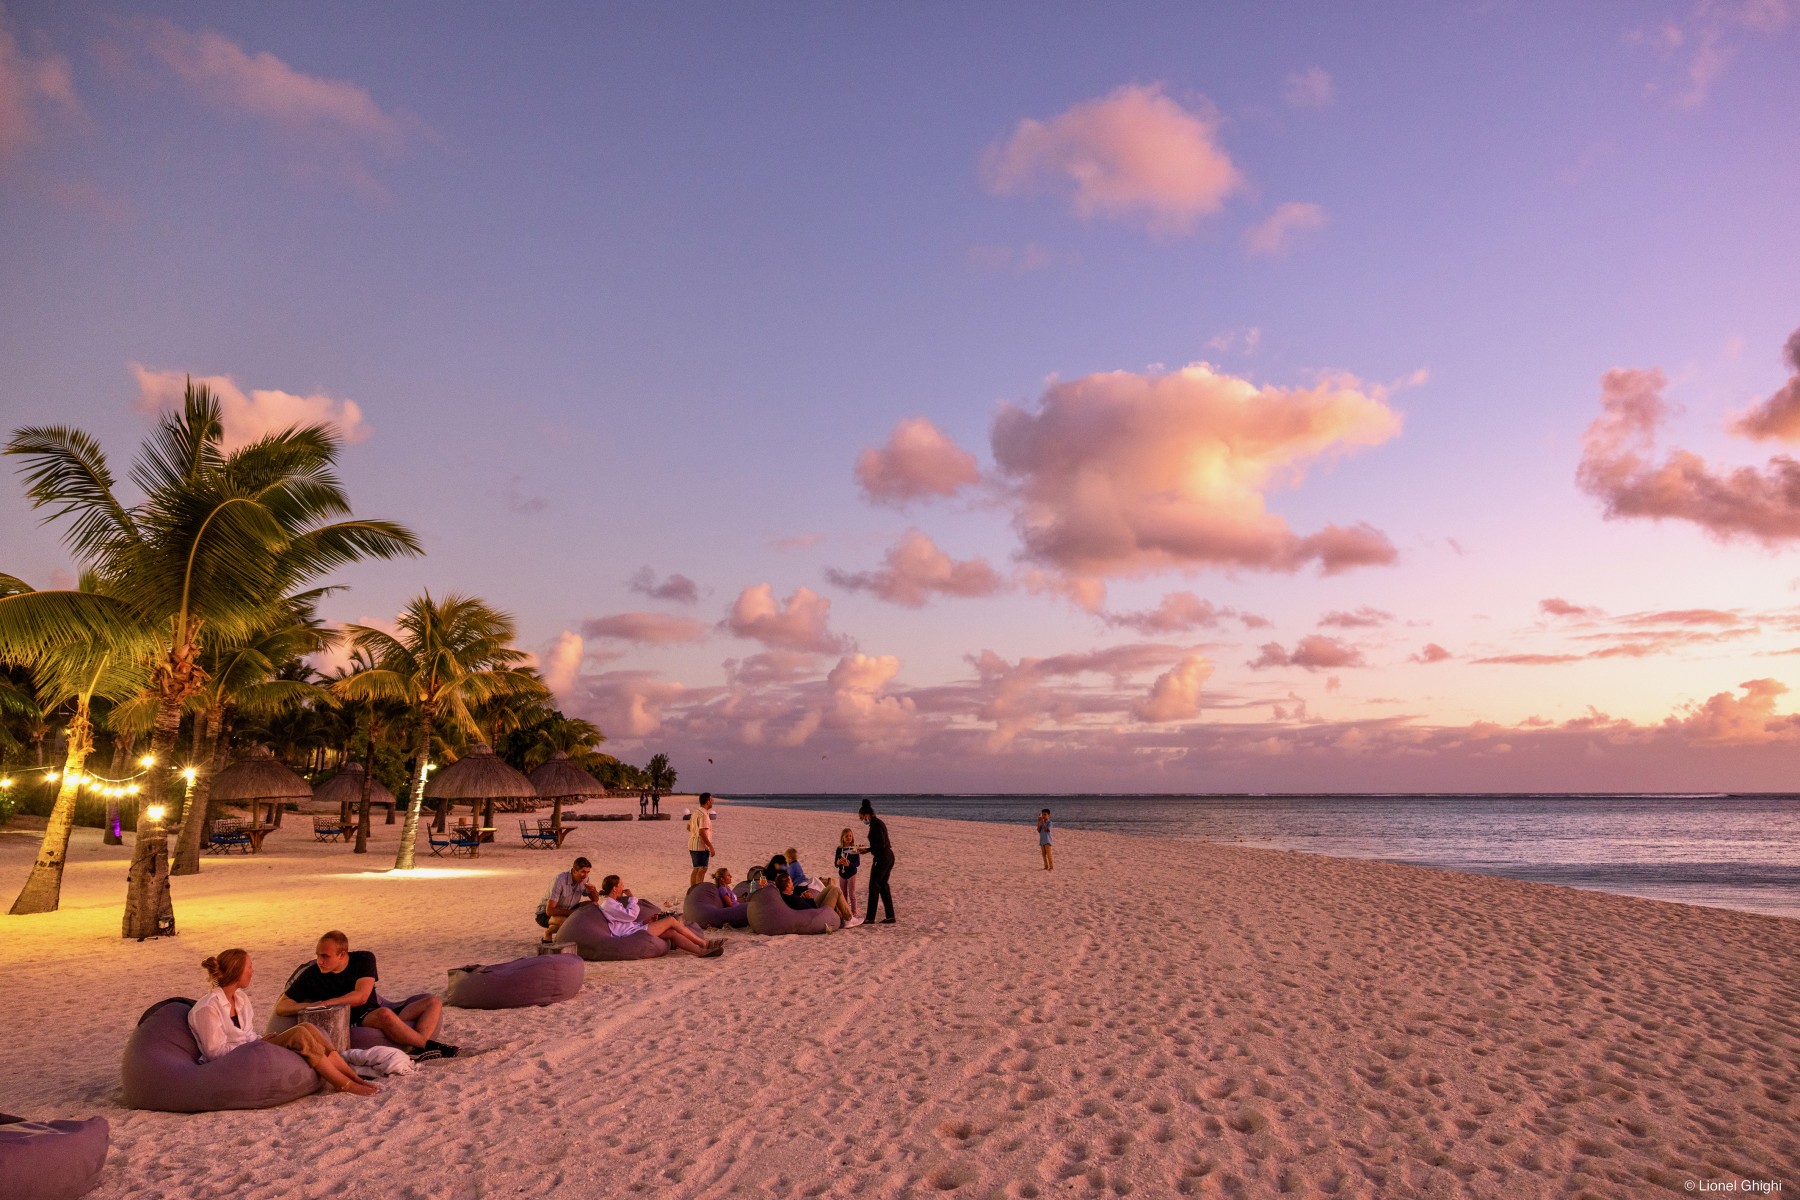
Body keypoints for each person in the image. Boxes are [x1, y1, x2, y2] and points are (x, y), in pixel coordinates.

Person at [191, 949, 378, 1096]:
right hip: (233, 1061)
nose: (252, 971)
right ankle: (344, 1084)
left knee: (308, 1028)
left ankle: (352, 1076)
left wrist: (259, 1040)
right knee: (299, 1034)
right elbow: (214, 1053)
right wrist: (256, 1044)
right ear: (236, 971)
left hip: (251, 1049)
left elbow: (247, 1034)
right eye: (249, 967)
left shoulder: (240, 998)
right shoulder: (208, 1008)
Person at [275, 930, 457, 1060]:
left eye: (325, 956)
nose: (319, 961)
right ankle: (429, 1046)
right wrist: (311, 1006)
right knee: (385, 1014)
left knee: (433, 1002)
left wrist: (328, 1002)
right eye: (317, 955)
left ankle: (418, 1048)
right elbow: (282, 1006)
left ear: (342, 955)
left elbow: (361, 996)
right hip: (356, 1018)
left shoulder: (363, 959)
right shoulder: (312, 974)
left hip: (372, 1008)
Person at [599, 874, 723, 957]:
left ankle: (700, 951)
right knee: (671, 920)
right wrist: (632, 898)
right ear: (614, 888)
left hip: (633, 929)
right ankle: (703, 943)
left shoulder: (613, 903)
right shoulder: (609, 904)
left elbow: (624, 922)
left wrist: (644, 922)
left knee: (672, 933)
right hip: (631, 934)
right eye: (621, 885)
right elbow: (631, 915)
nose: (623, 887)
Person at [772, 865, 860, 927]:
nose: (792, 883)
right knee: (836, 890)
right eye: (791, 881)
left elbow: (801, 905)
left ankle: (842, 916)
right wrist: (810, 899)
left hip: (813, 907)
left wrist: (803, 898)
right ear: (787, 885)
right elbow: (813, 910)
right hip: (819, 913)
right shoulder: (793, 899)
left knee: (830, 887)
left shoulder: (785, 895)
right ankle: (849, 918)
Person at [537, 856, 600, 942]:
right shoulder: (560, 880)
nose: (585, 875)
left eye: (587, 872)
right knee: (567, 924)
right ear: (574, 871)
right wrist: (573, 913)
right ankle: (548, 932)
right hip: (545, 914)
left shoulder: (585, 879)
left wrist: (593, 890)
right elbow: (550, 910)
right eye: (583, 872)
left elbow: (595, 900)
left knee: (594, 905)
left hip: (569, 909)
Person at [858, 798, 895, 924]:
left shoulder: (876, 826)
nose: (862, 820)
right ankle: (890, 916)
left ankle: (870, 917)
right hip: (888, 856)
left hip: (882, 858)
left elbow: (881, 844)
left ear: (867, 815)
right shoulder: (878, 823)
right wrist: (869, 849)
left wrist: (868, 849)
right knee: (883, 885)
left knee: (874, 886)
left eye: (862, 817)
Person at [688, 793, 716, 887]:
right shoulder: (704, 814)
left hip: (692, 844)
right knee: (702, 869)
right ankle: (697, 891)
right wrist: (710, 846)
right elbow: (702, 832)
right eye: (711, 799)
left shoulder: (696, 812)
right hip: (701, 846)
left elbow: (688, 827)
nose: (713, 801)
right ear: (708, 801)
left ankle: (692, 890)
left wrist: (695, 832)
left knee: (696, 869)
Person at [833, 828, 861, 914]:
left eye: (850, 836)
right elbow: (836, 864)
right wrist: (838, 863)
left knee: (852, 895)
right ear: (842, 837)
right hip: (842, 874)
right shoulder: (839, 849)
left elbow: (857, 863)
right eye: (846, 836)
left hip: (851, 874)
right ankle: (846, 913)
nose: (849, 838)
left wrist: (849, 865)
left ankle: (854, 914)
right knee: (843, 895)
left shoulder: (854, 848)